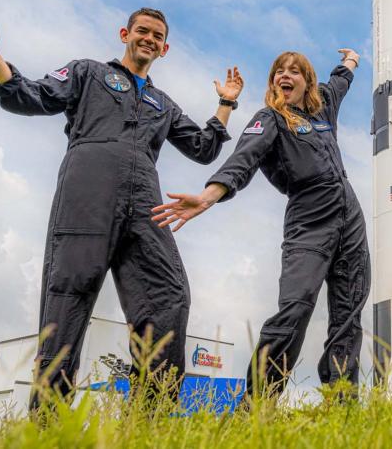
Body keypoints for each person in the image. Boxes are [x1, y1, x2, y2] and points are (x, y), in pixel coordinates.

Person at [0, 4, 241, 403]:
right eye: (142, 31)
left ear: (165, 49)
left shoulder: (163, 104)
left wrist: (225, 105)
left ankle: (149, 420)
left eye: (157, 36)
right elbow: (28, 96)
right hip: (87, 191)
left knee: (169, 294)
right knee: (68, 295)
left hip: (145, 200)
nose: (149, 38)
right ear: (124, 35)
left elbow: (202, 148)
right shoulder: (88, 72)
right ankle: (48, 425)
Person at [152, 49, 368, 397]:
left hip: (350, 218)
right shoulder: (270, 119)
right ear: (273, 82)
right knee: (295, 308)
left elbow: (339, 83)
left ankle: (341, 404)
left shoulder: (322, 106)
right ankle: (257, 406)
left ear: (306, 81)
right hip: (310, 219)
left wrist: (351, 62)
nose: (286, 76)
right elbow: (244, 159)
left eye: (294, 71)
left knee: (348, 314)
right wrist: (208, 196)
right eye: (279, 71)